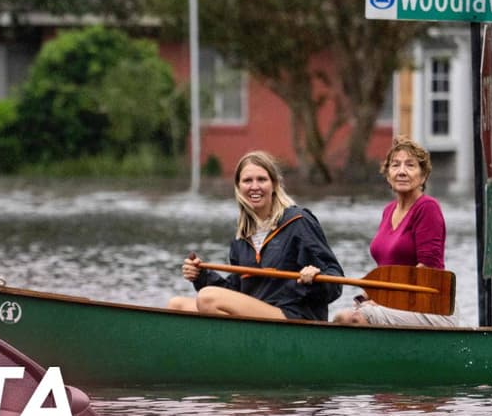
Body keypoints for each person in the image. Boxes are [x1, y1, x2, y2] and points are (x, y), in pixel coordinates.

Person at [168, 151, 344, 320]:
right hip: (257, 316)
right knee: (177, 305)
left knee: (208, 298)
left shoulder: (299, 221)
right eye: (247, 180)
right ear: (238, 187)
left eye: (261, 179)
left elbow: (335, 281)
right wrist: (201, 276)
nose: (254, 187)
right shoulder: (242, 237)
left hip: (294, 316)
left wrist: (315, 278)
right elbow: (236, 292)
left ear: (274, 185)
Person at [334, 137, 458, 326]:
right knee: (341, 317)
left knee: (354, 319)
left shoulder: (427, 207)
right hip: (394, 304)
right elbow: (385, 271)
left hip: (431, 307)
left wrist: (384, 300)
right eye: (395, 165)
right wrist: (364, 297)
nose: (402, 171)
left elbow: (428, 270)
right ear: (388, 175)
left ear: (423, 176)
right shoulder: (388, 211)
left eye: (410, 165)